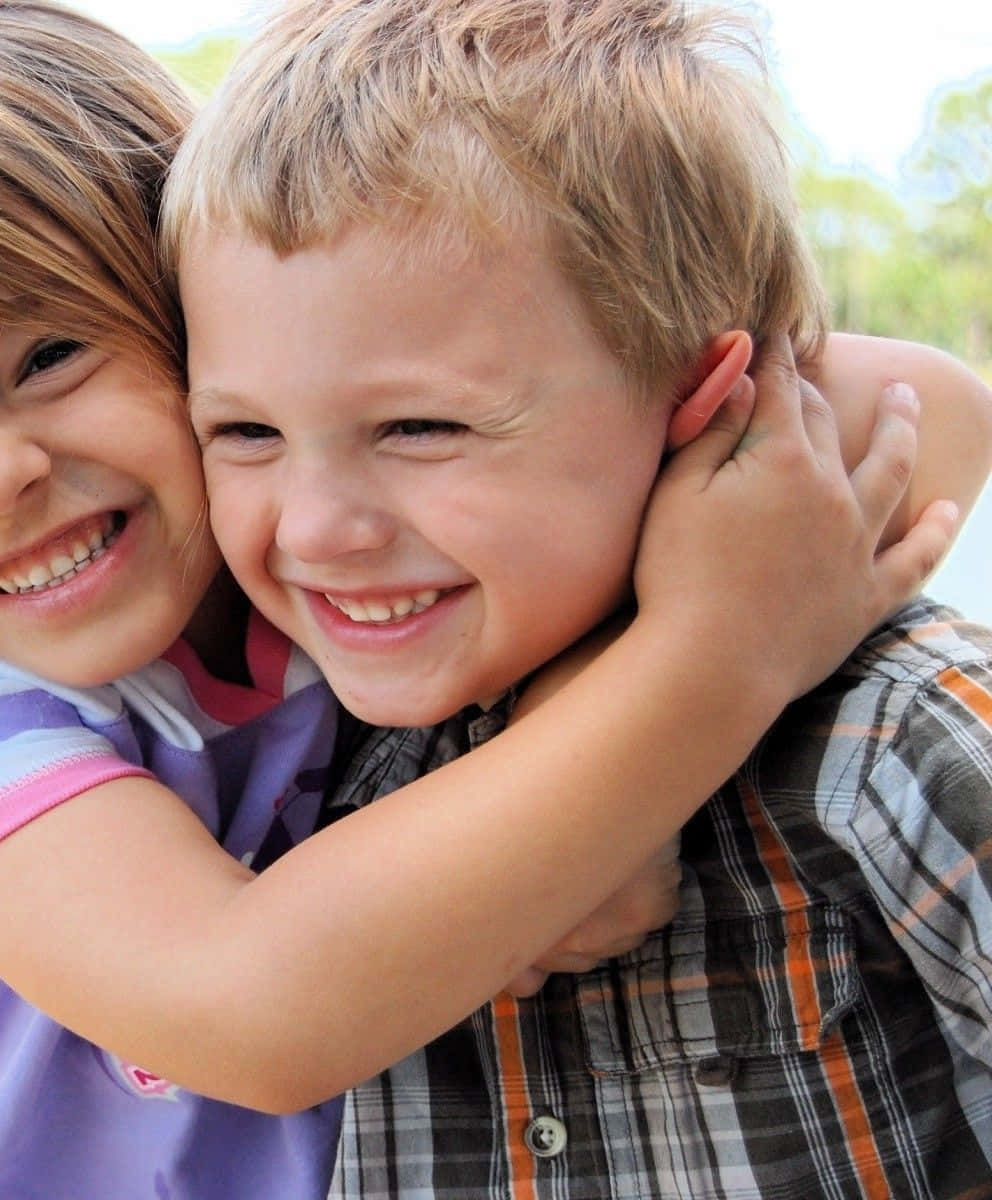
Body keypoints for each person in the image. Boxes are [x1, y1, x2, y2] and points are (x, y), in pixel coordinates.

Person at [0, 2, 972, 1196]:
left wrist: (579, 703)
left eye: (47, 356)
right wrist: (696, 666)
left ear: (193, 316)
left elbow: (936, 410)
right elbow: (253, 1015)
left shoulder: (290, 532)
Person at [165, 0, 992, 1194]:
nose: (313, 530)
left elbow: (933, 410)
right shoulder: (293, 751)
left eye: (420, 426)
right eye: (244, 430)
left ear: (711, 402)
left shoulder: (902, 741)